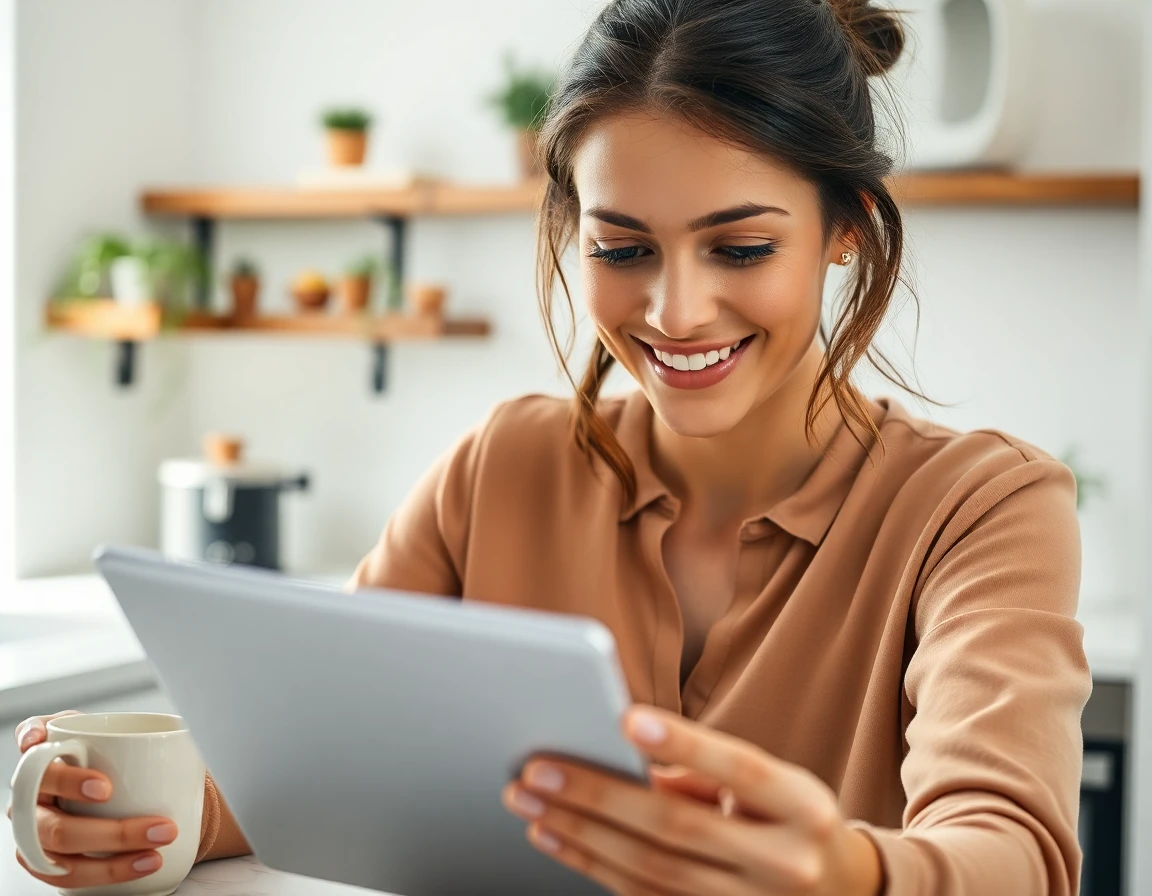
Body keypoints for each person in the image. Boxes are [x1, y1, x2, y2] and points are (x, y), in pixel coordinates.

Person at [12, 0, 1092, 893]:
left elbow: (1016, 854)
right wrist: (164, 815)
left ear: (846, 226)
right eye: (623, 246)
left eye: (743, 246)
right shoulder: (504, 466)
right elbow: (322, 759)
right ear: (572, 232)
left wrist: (840, 868)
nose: (676, 310)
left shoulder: (983, 507)